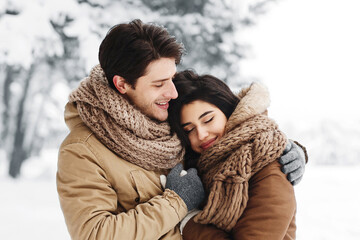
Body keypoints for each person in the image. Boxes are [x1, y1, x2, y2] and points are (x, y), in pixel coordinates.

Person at [57, 19, 306, 240]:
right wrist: (176, 204)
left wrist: (284, 148)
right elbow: (93, 234)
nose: (172, 92)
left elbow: (233, 131)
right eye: (159, 84)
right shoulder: (83, 150)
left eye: (171, 78)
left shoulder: (167, 116)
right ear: (122, 84)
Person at [168, 70, 308, 240]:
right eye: (189, 130)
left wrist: (188, 218)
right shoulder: (199, 166)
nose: (201, 134)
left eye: (208, 120)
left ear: (229, 112)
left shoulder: (268, 164)